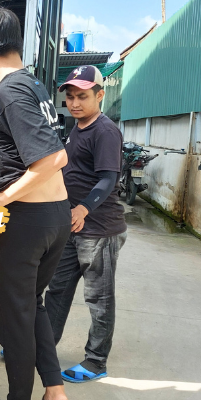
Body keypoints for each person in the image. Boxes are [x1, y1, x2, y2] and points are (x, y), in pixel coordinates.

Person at [0, 7, 71, 400]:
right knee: (33, 304)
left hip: (26, 222)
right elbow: (17, 151)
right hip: (54, 217)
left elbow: (53, 158)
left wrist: (0, 198)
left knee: (13, 319)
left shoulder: (9, 91)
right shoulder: (33, 84)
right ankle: (54, 391)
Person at [45, 65, 128, 383]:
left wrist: (82, 208)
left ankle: (95, 361)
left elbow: (108, 179)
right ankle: (44, 346)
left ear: (100, 95)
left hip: (99, 230)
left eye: (82, 96)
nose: (75, 103)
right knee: (58, 289)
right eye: (70, 97)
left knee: (99, 299)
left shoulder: (105, 131)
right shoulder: (77, 127)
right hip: (73, 226)